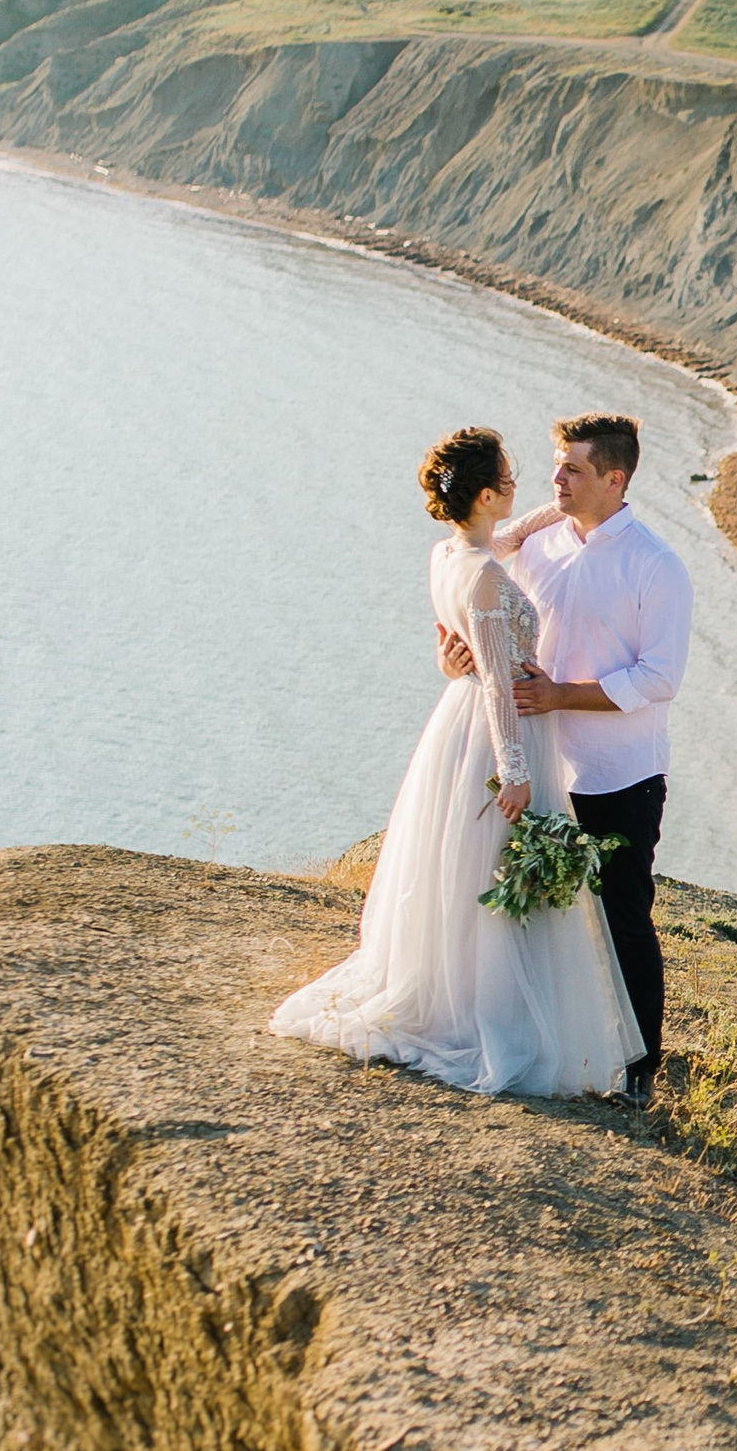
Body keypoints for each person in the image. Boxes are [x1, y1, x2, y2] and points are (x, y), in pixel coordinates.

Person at [271, 426, 643, 1098]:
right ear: (481, 493)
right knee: (493, 882)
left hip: (456, 723)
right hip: (499, 735)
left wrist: (564, 504)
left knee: (463, 870)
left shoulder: (450, 555)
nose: (518, 487)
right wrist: (518, 774)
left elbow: (474, 621)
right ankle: (487, 1014)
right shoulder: (489, 576)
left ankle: (465, 995)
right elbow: (501, 683)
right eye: (507, 478)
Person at [445, 406, 692, 1100]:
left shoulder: (657, 566)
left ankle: (640, 1068)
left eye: (572, 469)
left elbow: (659, 678)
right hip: (540, 762)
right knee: (537, 915)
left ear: (614, 479)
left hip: (619, 773)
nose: (555, 477)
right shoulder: (538, 543)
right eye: (555, 465)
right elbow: (476, 593)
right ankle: (557, 1044)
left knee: (622, 916)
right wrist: (454, 650)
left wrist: (560, 697)